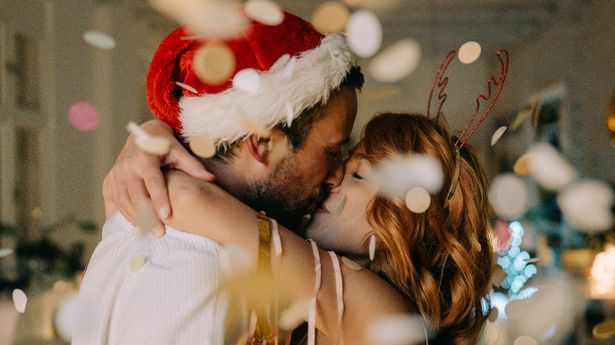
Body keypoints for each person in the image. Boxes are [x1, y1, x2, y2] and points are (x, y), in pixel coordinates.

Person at [77, 12, 365, 345]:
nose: (337, 174)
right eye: (331, 151)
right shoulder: (196, 270)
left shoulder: (150, 226)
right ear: (263, 142)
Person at [156, 112, 495, 344]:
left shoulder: (389, 319)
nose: (332, 180)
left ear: (410, 217)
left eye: (358, 175)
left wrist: (148, 144)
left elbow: (185, 198)